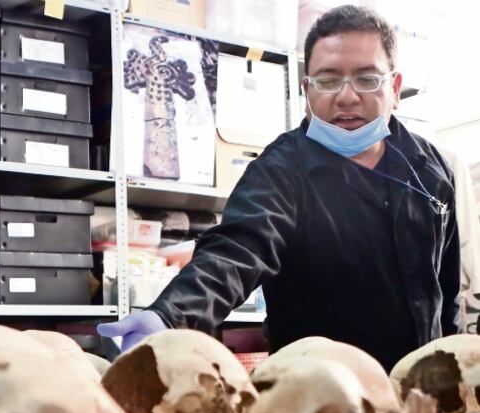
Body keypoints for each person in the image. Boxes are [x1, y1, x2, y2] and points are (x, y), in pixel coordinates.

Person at [98, 5, 461, 371]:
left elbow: (446, 295)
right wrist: (170, 316)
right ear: (306, 90)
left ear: (394, 88)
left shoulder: (429, 169)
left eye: (366, 79)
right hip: (316, 393)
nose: (347, 96)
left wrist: (454, 371)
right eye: (328, 80)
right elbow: (237, 250)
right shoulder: (281, 171)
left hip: (418, 388)